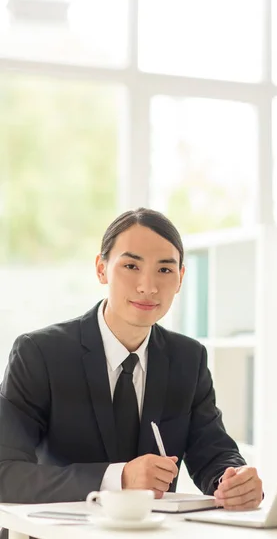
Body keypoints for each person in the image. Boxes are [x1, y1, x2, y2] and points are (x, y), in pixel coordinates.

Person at [0, 208, 263, 517]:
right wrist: (118, 478)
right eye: (131, 266)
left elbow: (213, 453)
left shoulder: (188, 359)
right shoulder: (40, 353)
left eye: (164, 270)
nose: (148, 287)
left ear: (180, 279)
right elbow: (6, 474)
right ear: (101, 269)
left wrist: (234, 480)